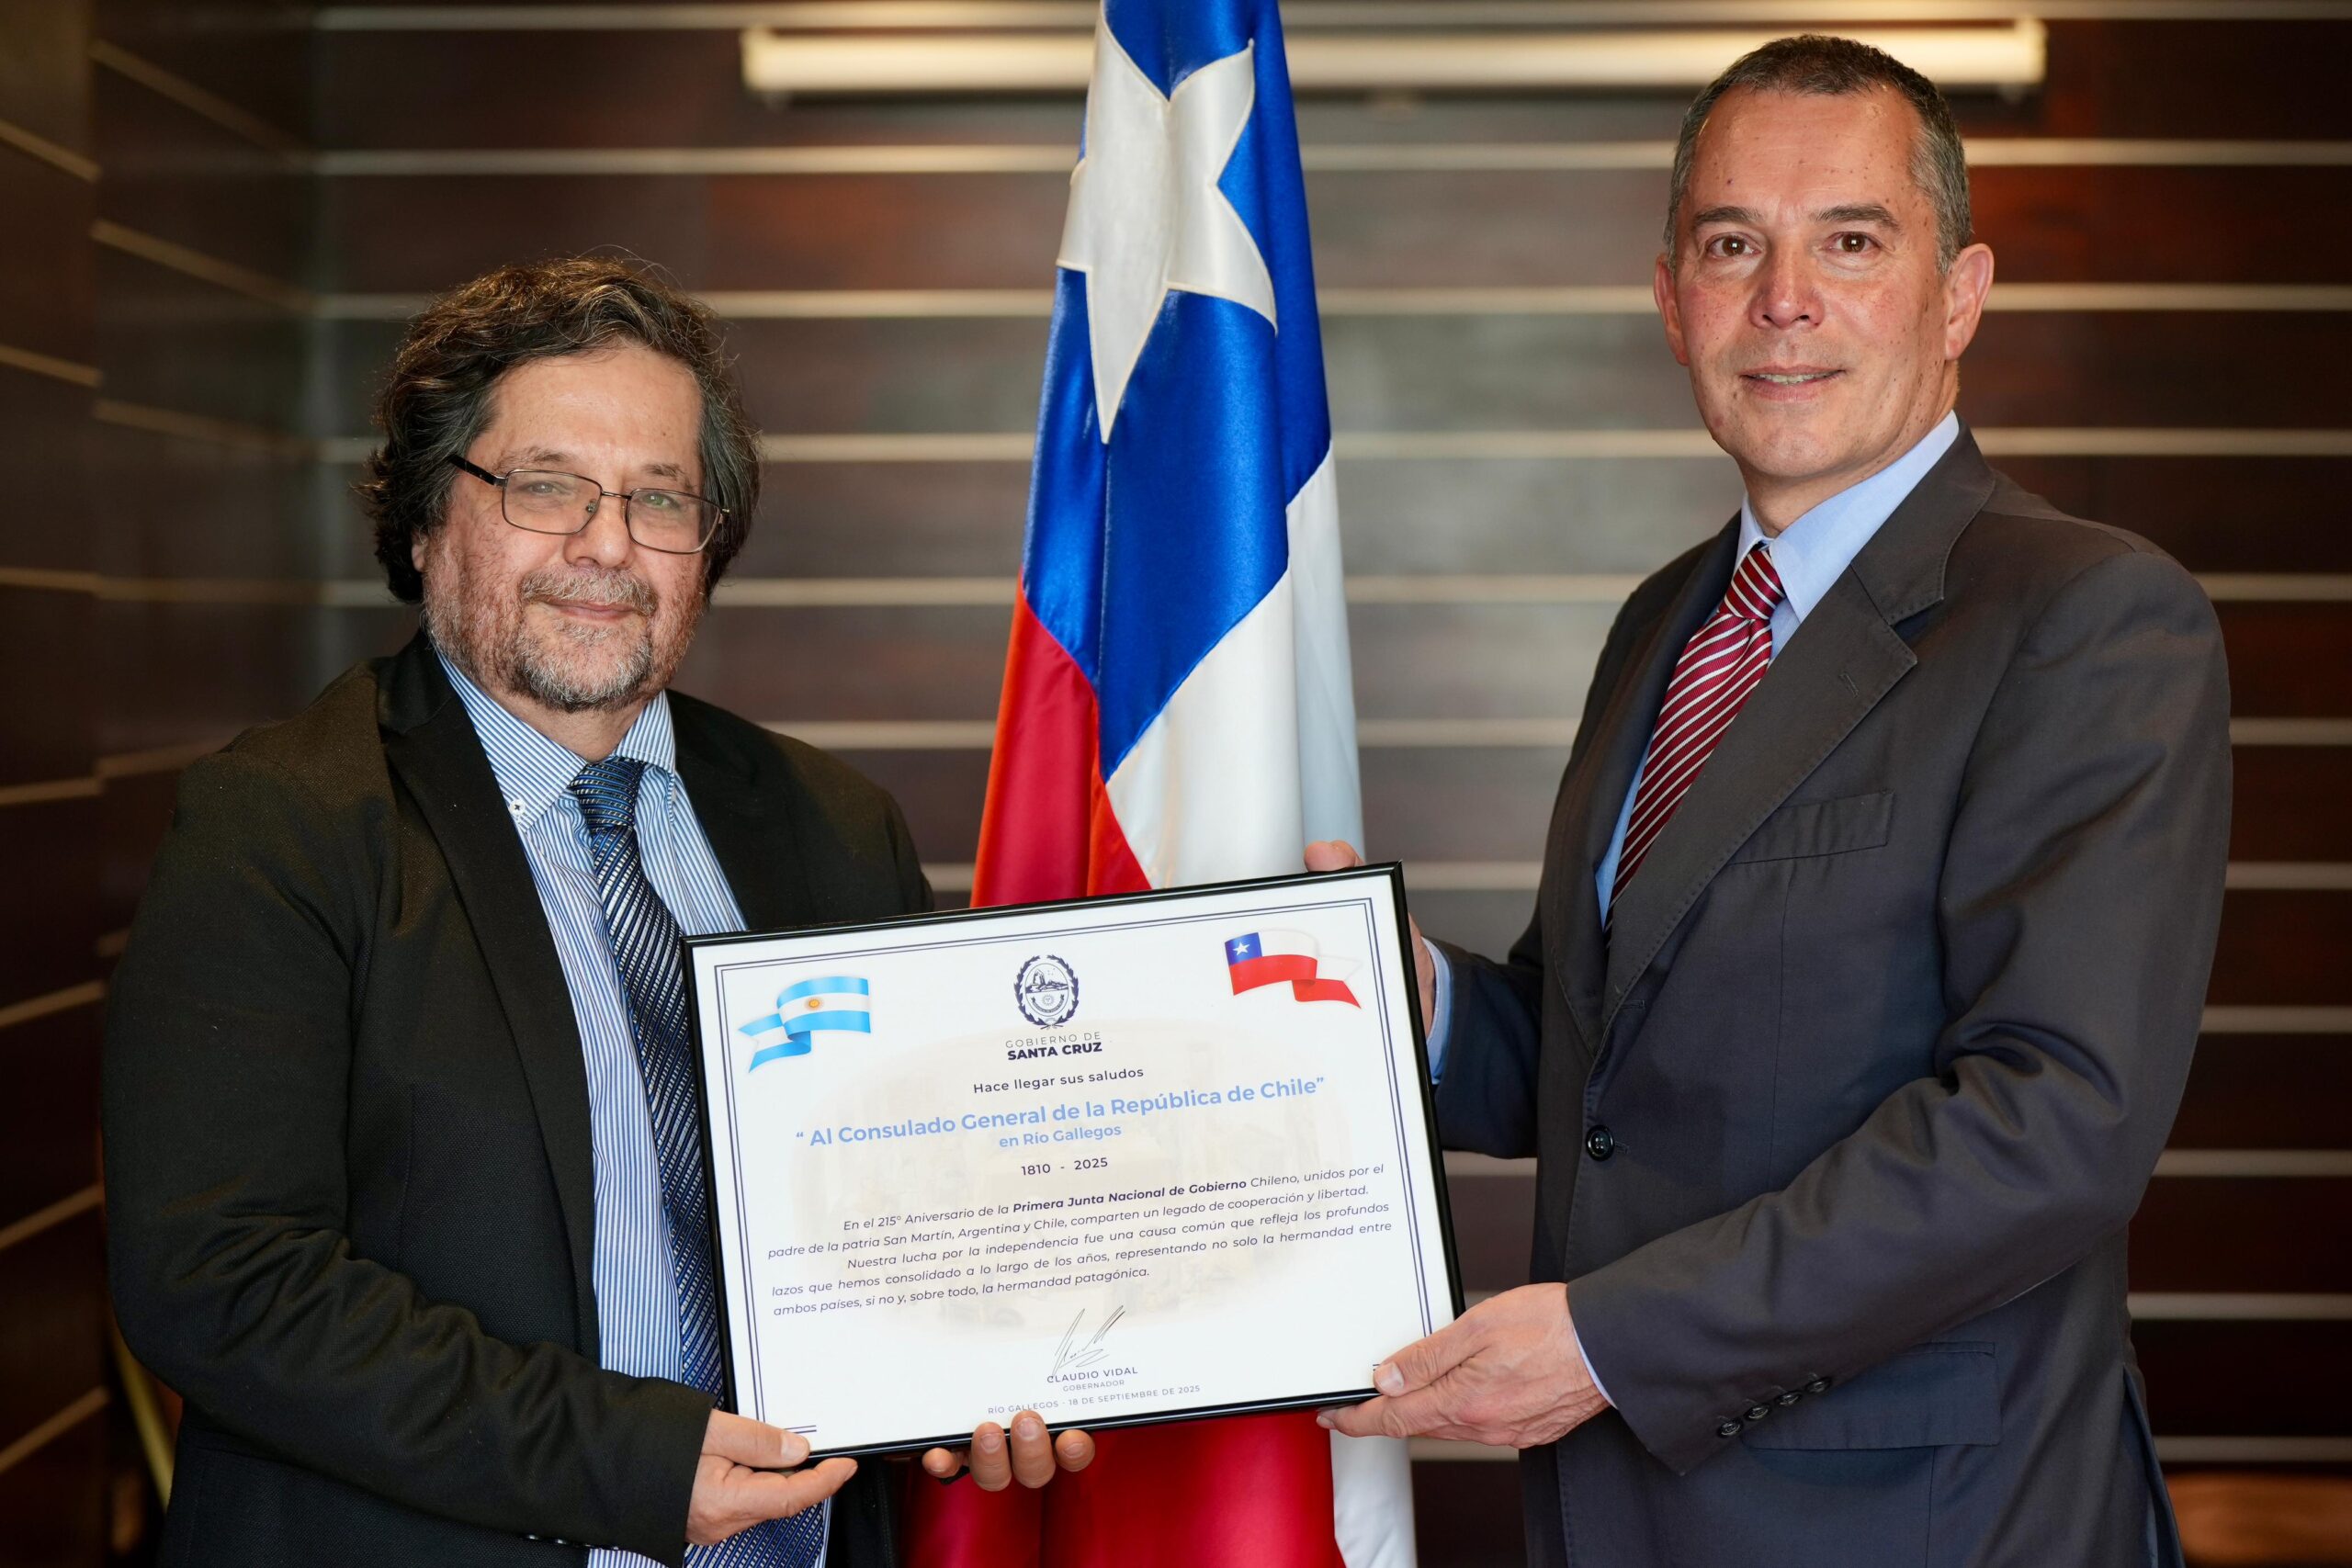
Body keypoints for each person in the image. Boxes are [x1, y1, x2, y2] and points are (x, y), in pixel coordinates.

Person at [1314, 35, 2231, 1568]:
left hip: (1925, 1526)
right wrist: (1395, 998)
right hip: (1620, 1520)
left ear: (1960, 296)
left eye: (1851, 243)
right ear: (1672, 301)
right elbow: (1597, 1059)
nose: (1783, 300)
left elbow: (2050, 1123)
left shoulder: (2087, 617)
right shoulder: (1666, 621)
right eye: (1733, 245)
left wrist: (1612, 1341)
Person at [102, 257, 1091, 1567]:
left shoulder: (829, 826)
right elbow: (221, 1283)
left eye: (658, 498)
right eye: (546, 486)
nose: (607, 544)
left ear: (708, 545)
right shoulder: (279, 827)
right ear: (421, 522)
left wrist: (987, 1369)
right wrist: (623, 1462)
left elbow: (906, 1213)